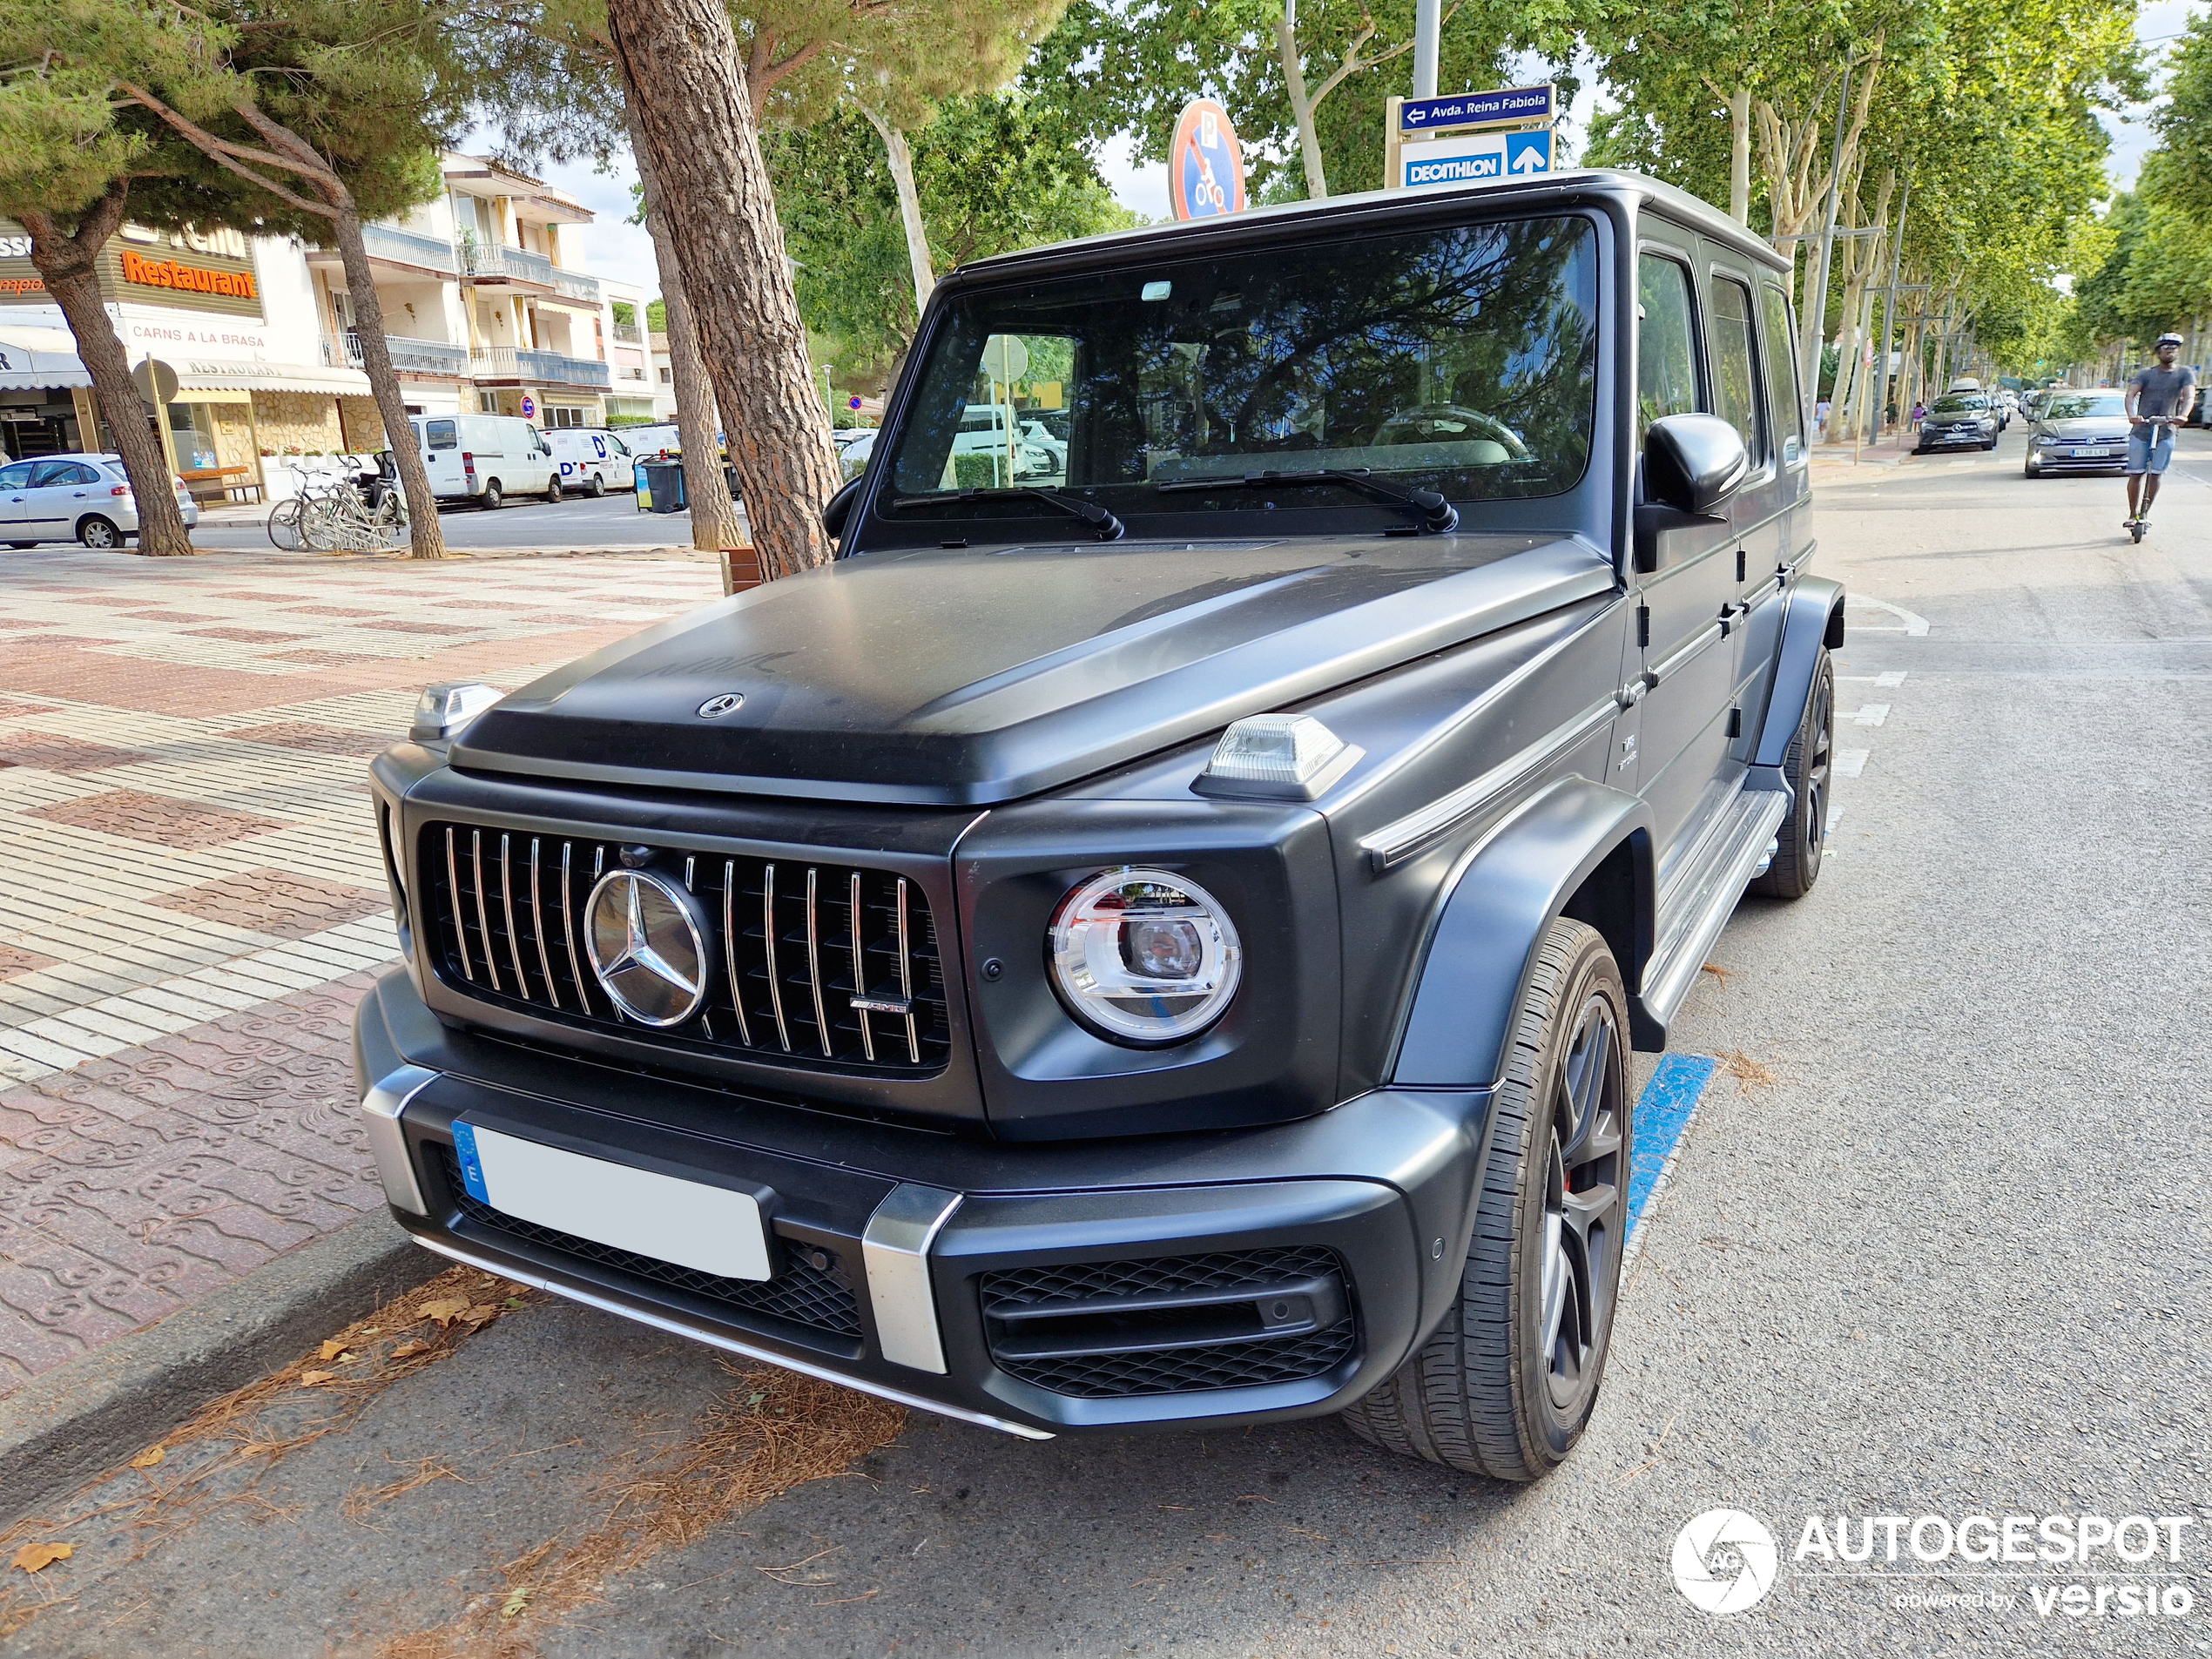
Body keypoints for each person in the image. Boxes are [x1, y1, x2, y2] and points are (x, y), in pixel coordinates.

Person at [2123, 333, 2196, 531]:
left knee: (2156, 474)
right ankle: (2132, 514)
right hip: (2141, 430)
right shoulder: (2146, 374)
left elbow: (2189, 396)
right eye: (2166, 346)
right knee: (2136, 473)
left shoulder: (2184, 373)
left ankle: (2145, 513)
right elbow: (2131, 394)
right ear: (2158, 351)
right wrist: (2132, 415)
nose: (2170, 350)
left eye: (2174, 347)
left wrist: (2183, 415)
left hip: (2167, 430)